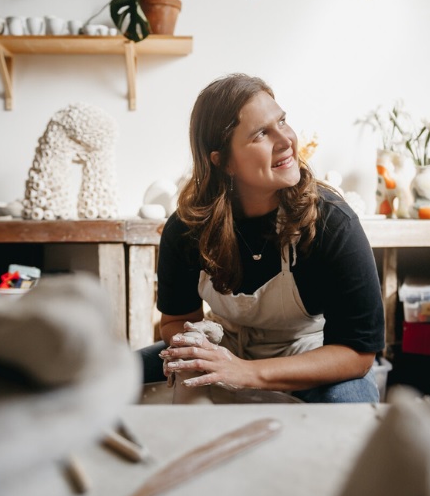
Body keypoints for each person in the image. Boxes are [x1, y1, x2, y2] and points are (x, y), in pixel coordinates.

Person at [141, 73, 385, 403]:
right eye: (261, 134)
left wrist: (246, 372)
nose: (285, 140)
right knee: (107, 378)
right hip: (224, 345)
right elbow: (177, 320)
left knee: (349, 409)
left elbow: (358, 354)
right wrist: (195, 345)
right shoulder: (186, 229)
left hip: (311, 351)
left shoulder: (331, 222)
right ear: (223, 161)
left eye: (282, 121)